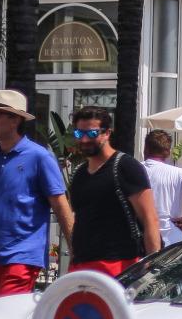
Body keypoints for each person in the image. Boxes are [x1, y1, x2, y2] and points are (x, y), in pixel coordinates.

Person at [0, 89, 73, 301]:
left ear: (15, 120)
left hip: (22, 256)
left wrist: (75, 250)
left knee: (3, 317)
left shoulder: (40, 157)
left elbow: (60, 205)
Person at [68, 106, 161, 275]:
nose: (85, 139)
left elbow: (150, 220)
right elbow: (79, 222)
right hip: (81, 265)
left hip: (120, 263)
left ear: (107, 133)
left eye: (92, 133)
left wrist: (152, 267)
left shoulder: (125, 166)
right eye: (79, 134)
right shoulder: (78, 174)